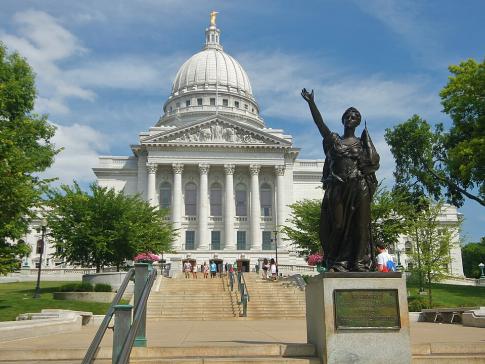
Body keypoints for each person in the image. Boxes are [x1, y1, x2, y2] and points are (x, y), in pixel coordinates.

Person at [301, 89, 380, 272]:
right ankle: (340, 261)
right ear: (343, 119)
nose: (350, 119)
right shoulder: (334, 141)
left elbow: (372, 163)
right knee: (337, 225)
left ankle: (359, 262)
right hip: (339, 187)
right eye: (348, 116)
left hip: (359, 186)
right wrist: (312, 103)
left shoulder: (362, 144)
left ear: (358, 122)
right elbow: (321, 126)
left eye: (354, 117)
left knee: (359, 226)